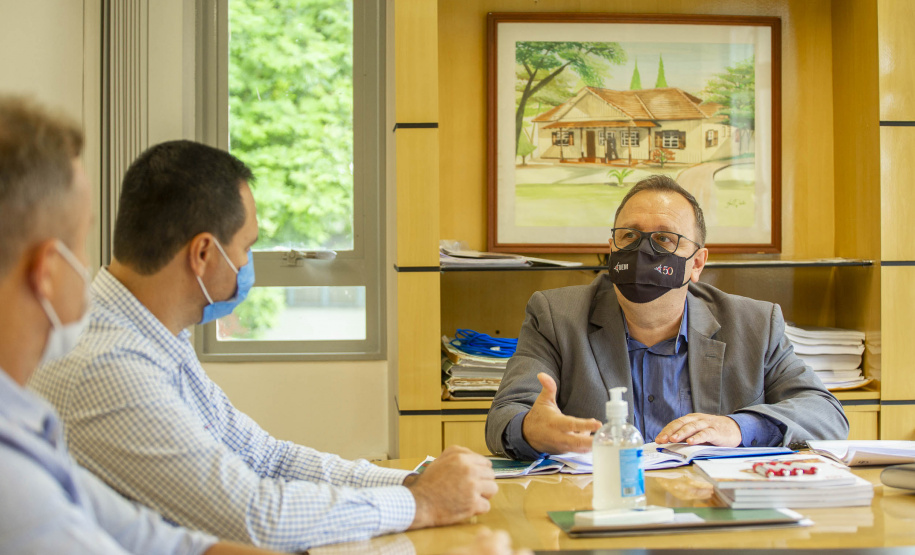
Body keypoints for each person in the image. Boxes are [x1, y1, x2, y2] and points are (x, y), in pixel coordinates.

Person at [30, 139, 498, 552]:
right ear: (203, 254)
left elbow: (265, 458)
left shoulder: (157, 336)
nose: (249, 263)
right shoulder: (109, 365)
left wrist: (413, 481)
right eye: (247, 248)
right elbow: (255, 518)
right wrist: (420, 503)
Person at [0, 95, 305, 554]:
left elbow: (152, 539)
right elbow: (250, 516)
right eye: (80, 241)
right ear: (46, 270)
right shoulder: (17, 484)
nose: (89, 265)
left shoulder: (25, 421)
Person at [485, 175, 849, 460]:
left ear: (698, 263)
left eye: (664, 239)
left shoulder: (753, 323)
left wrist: (739, 427)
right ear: (611, 248)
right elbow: (504, 417)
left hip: (714, 510)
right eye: (629, 236)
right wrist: (530, 429)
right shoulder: (556, 316)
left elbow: (826, 415)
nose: (643, 250)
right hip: (603, 505)